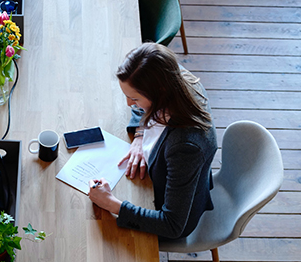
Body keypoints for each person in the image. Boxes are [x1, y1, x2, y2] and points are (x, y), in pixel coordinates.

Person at [88, 43, 217, 240]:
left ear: (160, 92)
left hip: (169, 212)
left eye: (134, 98)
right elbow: (142, 108)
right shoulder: (172, 76)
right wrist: (140, 136)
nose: (129, 104)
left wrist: (111, 203)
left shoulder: (185, 147)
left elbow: (173, 225)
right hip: (158, 178)